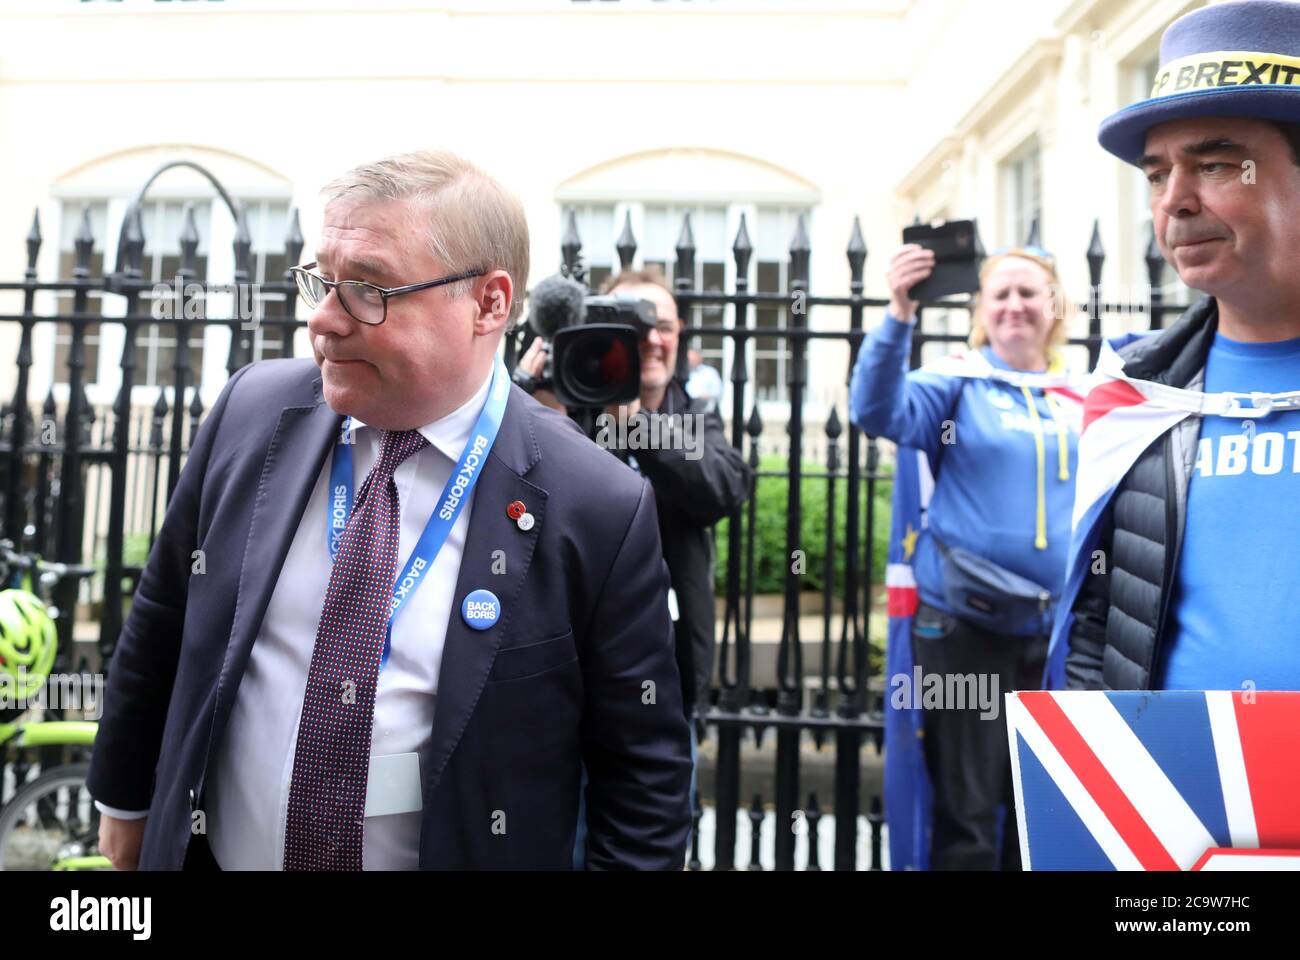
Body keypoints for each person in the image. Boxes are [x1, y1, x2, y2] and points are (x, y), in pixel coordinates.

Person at [87, 150, 692, 871]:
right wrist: (126, 802)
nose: (324, 322)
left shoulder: (597, 503)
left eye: (368, 290)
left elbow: (645, 780)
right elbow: (163, 617)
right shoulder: (251, 411)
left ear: (489, 304)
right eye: (322, 281)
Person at [1055, 0, 1300, 692]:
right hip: (1179, 794)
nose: (1173, 201)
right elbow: (1100, 628)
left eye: (1217, 165)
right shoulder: (1135, 394)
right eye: (1158, 174)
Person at [851, 244, 1083, 870]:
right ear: (982, 308)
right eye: (1000, 294)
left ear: (1054, 304)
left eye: (1028, 293)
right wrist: (900, 312)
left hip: (1057, 633)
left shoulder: (1084, 394)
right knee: (968, 812)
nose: (1014, 305)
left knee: (1042, 812)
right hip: (963, 630)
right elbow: (874, 409)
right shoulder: (956, 380)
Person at [516, 267, 751, 866]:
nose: (649, 338)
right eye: (630, 324)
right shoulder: (555, 404)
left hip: (662, 689)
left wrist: (635, 425)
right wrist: (529, 395)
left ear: (680, 339)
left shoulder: (693, 413)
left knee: (647, 846)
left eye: (663, 325)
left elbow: (723, 487)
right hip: (550, 689)